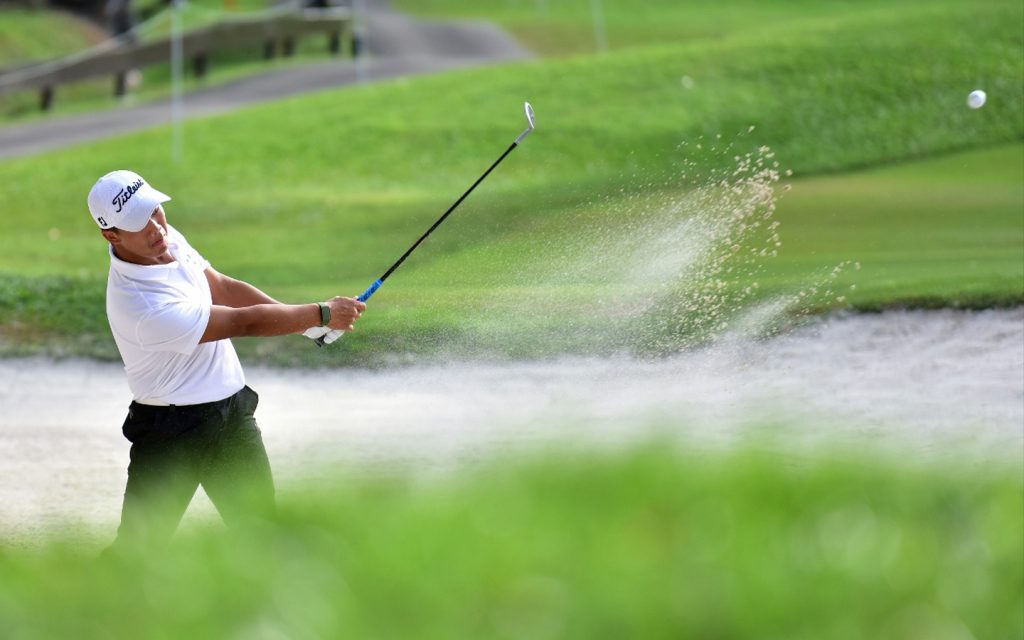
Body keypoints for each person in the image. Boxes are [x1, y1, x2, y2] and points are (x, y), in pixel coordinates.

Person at [87, 169, 365, 549]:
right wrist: (321, 314)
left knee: (263, 534)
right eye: (140, 221)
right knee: (139, 550)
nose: (156, 226)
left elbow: (223, 287)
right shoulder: (140, 304)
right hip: (172, 432)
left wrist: (306, 325)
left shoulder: (164, 240)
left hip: (231, 416)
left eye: (155, 210)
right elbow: (242, 321)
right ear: (112, 235)